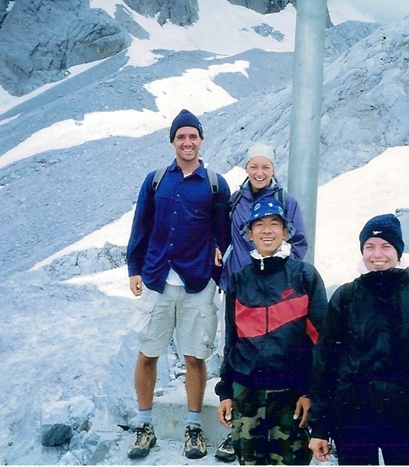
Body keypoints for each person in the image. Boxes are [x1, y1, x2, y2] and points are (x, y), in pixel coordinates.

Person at [308, 214, 409, 466]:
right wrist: (319, 427)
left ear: (398, 251)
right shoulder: (346, 297)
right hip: (353, 422)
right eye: (369, 246)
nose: (377, 254)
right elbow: (325, 364)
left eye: (386, 246)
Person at [125, 109, 231, 460]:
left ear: (201, 141)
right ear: (172, 141)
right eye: (181, 136)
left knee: (195, 357)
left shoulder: (215, 184)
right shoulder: (155, 180)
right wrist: (134, 268)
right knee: (148, 353)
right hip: (156, 278)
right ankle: (144, 426)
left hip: (197, 282)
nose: (187, 142)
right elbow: (141, 225)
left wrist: (218, 276)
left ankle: (194, 427)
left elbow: (224, 234)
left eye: (193, 136)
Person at [215, 198, 328, 465]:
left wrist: (310, 393)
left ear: (286, 231)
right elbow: (231, 340)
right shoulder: (239, 280)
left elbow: (321, 343)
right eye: (259, 225)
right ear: (249, 234)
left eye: (274, 224)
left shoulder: (305, 276)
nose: (267, 230)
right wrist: (226, 392)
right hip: (246, 395)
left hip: (291, 396)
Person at [217, 142, 308, 293]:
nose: (259, 173)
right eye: (254, 167)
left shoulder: (286, 201)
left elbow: (299, 242)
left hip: (272, 288)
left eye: (266, 167)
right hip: (236, 284)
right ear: (246, 168)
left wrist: (283, 272)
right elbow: (223, 234)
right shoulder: (237, 199)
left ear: (273, 170)